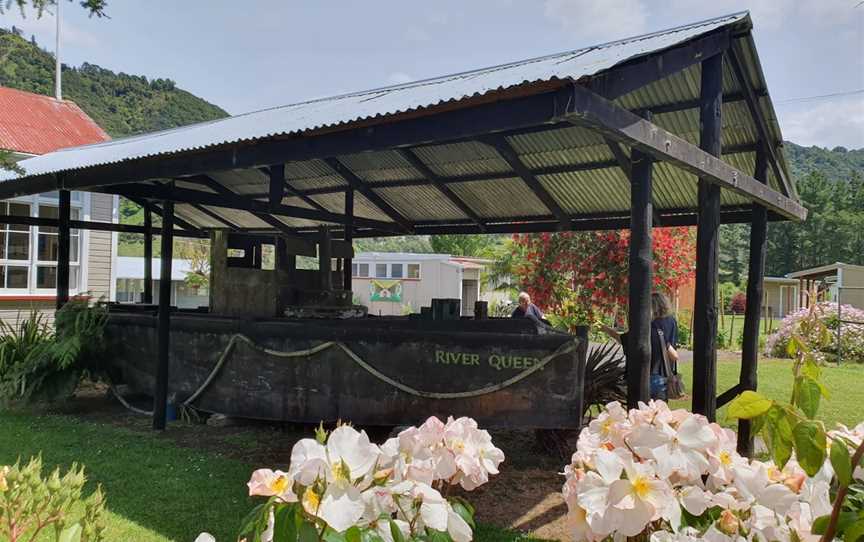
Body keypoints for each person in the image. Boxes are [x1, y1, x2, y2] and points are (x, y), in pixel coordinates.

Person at [601, 292, 679, 397]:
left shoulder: (649, 325)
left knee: (640, 410)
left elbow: (624, 339)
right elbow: (672, 349)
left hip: (645, 375)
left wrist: (605, 329)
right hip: (664, 375)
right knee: (659, 410)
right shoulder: (672, 322)